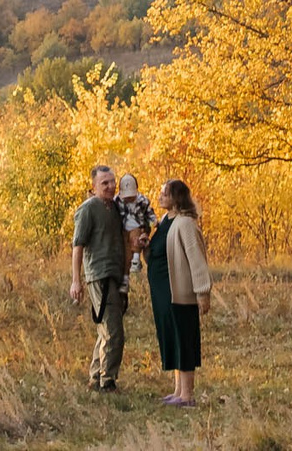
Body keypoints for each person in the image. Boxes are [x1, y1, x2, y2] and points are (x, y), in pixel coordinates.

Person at [146, 178, 212, 406]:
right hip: (163, 291)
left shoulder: (185, 223)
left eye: (165, 193)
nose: (160, 196)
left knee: (183, 339)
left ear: (176, 198)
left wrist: (202, 291)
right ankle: (177, 390)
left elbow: (197, 258)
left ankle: (187, 395)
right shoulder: (165, 221)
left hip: (180, 291)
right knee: (171, 337)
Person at [68, 163, 131, 390]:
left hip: (115, 275)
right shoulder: (88, 209)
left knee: (106, 328)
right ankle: (108, 380)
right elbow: (78, 246)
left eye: (113, 182)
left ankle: (96, 377)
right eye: (105, 183)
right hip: (99, 275)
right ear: (94, 186)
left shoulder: (115, 208)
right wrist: (76, 280)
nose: (111, 186)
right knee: (114, 330)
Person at [116, 173, 156, 272]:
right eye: (126, 197)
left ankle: (136, 259)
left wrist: (153, 221)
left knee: (136, 240)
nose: (128, 199)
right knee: (125, 246)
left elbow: (149, 213)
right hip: (123, 229)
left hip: (138, 227)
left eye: (131, 196)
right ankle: (126, 265)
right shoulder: (117, 201)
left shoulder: (142, 201)